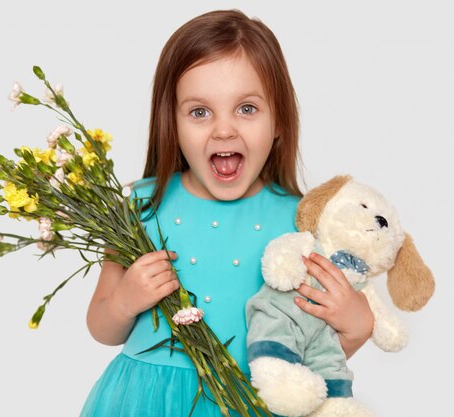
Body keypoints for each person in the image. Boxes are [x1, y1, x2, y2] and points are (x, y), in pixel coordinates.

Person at [80, 9, 374, 417]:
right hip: (146, 402)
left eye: (247, 109)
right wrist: (125, 301)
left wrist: (357, 326)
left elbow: (312, 350)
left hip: (251, 402)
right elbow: (101, 327)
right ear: (173, 122)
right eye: (200, 112)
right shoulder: (141, 207)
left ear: (279, 122)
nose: (223, 130)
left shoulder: (301, 222)